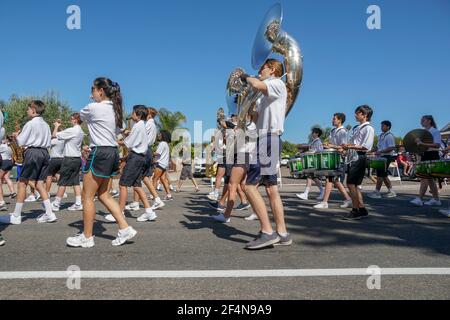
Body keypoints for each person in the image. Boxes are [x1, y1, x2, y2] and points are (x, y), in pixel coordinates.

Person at [66, 77, 137, 248]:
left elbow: (80, 117)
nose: (90, 93)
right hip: (112, 152)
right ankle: (124, 227)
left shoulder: (92, 107)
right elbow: (118, 130)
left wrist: (93, 100)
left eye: (92, 89)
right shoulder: (116, 109)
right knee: (103, 194)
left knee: (87, 196)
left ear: (100, 91)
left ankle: (87, 236)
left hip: (99, 151)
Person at [238, 59, 292, 249]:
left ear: (272, 70)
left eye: (262, 68)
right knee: (271, 189)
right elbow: (255, 117)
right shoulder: (265, 92)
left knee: (249, 187)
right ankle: (283, 233)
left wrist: (244, 76)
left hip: (268, 139)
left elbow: (255, 83)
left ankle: (267, 232)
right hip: (267, 138)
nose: (259, 71)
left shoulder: (276, 83)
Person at [0, 100, 54, 225]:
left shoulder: (30, 124)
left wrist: (15, 136)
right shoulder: (46, 124)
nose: (27, 110)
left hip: (33, 153)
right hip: (45, 153)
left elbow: (20, 142)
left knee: (22, 183)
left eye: (28, 109)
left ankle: (17, 215)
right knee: (40, 184)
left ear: (34, 110)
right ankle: (50, 213)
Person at [106, 105, 157, 223]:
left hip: (136, 158)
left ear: (138, 116)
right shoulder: (141, 126)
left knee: (123, 184)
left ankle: (119, 212)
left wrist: (112, 141)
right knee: (137, 185)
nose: (131, 114)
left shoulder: (138, 126)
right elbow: (132, 141)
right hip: (140, 157)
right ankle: (149, 212)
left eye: (133, 113)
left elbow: (128, 143)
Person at [212, 115, 257, 223]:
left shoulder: (249, 125)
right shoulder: (240, 126)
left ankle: (226, 215)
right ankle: (254, 210)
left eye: (234, 116)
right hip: (238, 155)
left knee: (233, 185)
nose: (232, 117)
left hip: (243, 155)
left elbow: (239, 135)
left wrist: (229, 127)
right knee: (243, 186)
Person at [126, 107, 165, 212]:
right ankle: (139, 201)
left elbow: (141, 137)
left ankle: (154, 200)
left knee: (138, 176)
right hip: (147, 150)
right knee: (142, 177)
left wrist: (129, 134)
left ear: (149, 114)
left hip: (144, 150)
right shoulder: (152, 124)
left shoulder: (148, 124)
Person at [342, 105, 375, 220]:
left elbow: (366, 147)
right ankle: (362, 209)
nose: (355, 115)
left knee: (350, 184)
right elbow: (354, 143)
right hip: (353, 157)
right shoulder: (357, 128)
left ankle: (355, 210)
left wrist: (350, 146)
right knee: (354, 185)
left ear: (365, 115)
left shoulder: (368, 128)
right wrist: (346, 148)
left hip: (360, 157)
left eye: (358, 113)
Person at [314, 113, 352, 209]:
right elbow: (332, 144)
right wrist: (327, 145)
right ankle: (348, 199)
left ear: (340, 120)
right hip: (332, 157)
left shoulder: (343, 131)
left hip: (338, 158)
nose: (332, 120)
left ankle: (325, 202)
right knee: (333, 180)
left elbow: (344, 147)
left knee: (330, 179)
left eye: (334, 118)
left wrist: (331, 146)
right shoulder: (333, 130)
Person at [50, 114, 84, 212]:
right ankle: (78, 203)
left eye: (72, 119)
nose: (70, 120)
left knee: (63, 181)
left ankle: (56, 204)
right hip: (77, 158)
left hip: (69, 158)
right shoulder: (80, 131)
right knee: (76, 181)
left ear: (76, 120)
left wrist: (56, 126)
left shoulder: (73, 130)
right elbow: (66, 135)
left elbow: (54, 135)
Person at [410, 115, 444, 207]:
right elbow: (422, 146)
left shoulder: (435, 131)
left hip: (432, 155)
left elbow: (437, 145)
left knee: (424, 177)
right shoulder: (424, 132)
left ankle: (420, 199)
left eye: (423, 120)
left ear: (429, 121)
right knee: (429, 179)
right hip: (425, 155)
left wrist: (422, 143)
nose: (421, 121)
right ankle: (436, 200)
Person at [368, 120, 397, 199]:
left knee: (380, 175)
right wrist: (369, 151)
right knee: (383, 175)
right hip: (381, 157)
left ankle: (377, 192)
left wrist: (380, 152)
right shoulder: (381, 135)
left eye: (383, 126)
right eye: (381, 126)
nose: (381, 127)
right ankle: (391, 191)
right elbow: (377, 147)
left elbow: (391, 147)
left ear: (388, 127)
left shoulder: (389, 136)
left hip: (386, 157)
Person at [297, 127, 324, 201]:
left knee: (309, 177)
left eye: (313, 132)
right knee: (314, 178)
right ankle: (322, 191)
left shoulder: (318, 142)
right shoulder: (314, 142)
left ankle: (306, 194)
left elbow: (319, 151)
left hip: (314, 162)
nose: (312, 134)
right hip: (312, 162)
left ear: (317, 134)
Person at [152, 130, 173, 203]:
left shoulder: (162, 144)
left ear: (163, 135)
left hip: (160, 164)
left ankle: (153, 195)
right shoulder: (166, 144)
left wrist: (150, 153)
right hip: (164, 164)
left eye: (159, 134)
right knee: (163, 179)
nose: (158, 135)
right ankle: (169, 195)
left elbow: (157, 153)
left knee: (154, 179)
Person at [0, 138, 15, 211]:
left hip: (4, 162)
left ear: (7, 140)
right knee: (7, 178)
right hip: (9, 162)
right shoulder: (10, 147)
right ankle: (12, 192)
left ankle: (1, 201)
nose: (3, 140)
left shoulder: (3, 146)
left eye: (4, 139)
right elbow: (12, 157)